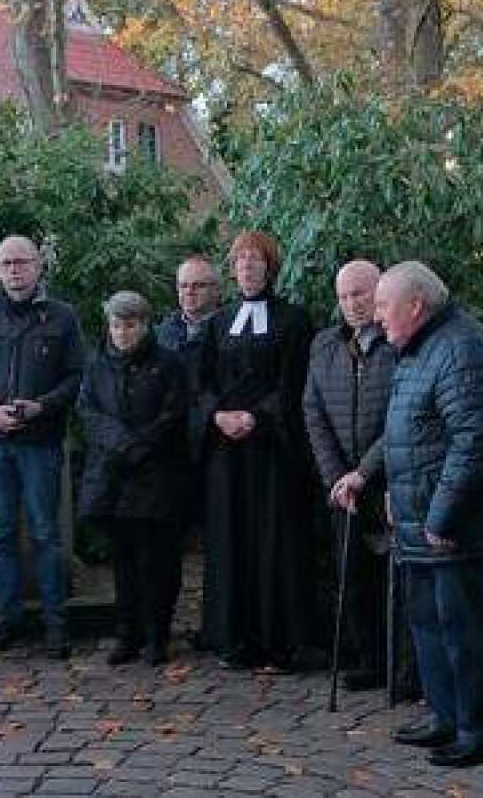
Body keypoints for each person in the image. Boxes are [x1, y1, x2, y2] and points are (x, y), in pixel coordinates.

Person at [376, 261, 483, 768]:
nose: (376, 317)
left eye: (382, 305)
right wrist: (393, 491)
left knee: (463, 630)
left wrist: (442, 515)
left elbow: (474, 440)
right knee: (429, 625)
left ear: (415, 305)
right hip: (421, 518)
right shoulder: (420, 349)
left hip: (456, 525)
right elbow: (409, 432)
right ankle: (445, 716)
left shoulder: (460, 348)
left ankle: (481, 730)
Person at [0, 235, 84, 658]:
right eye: (6, 263)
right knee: (0, 534)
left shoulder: (62, 317)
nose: (14, 270)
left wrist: (40, 407)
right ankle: (8, 619)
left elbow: (76, 378)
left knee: (46, 533)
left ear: (37, 266)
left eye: (21, 262)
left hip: (41, 442)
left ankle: (55, 623)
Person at [198, 230, 315, 670]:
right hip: (226, 453)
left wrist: (258, 417)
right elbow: (202, 383)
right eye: (240, 260)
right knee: (231, 540)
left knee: (274, 539)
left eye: (255, 260)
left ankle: (279, 639)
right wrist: (217, 416)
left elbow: (294, 382)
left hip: (273, 450)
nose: (247, 266)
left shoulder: (293, 320)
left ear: (270, 267)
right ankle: (234, 637)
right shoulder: (217, 321)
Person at [79, 291, 187, 666]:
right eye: (115, 325)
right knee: (122, 561)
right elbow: (89, 412)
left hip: (155, 475)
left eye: (128, 326)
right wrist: (120, 443)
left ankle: (157, 635)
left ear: (143, 326)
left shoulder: (168, 364)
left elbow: (173, 415)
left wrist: (138, 446)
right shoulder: (96, 364)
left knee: (155, 561)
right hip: (113, 476)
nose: (121, 333)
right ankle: (127, 633)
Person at [303, 259, 394, 691]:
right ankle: (369, 658)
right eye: (343, 296)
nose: (352, 304)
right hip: (342, 483)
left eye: (360, 293)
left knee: (395, 578)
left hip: (389, 478)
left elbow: (402, 416)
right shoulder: (324, 345)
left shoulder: (397, 343)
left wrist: (366, 471)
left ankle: (402, 664)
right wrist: (336, 475)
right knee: (351, 574)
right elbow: (313, 411)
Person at [156, 255, 221, 617]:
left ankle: (215, 622)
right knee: (167, 543)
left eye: (198, 286)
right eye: (183, 286)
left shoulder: (229, 330)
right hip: (171, 452)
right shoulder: (164, 334)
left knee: (217, 542)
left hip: (215, 449)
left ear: (216, 289)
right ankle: (162, 623)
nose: (189, 293)